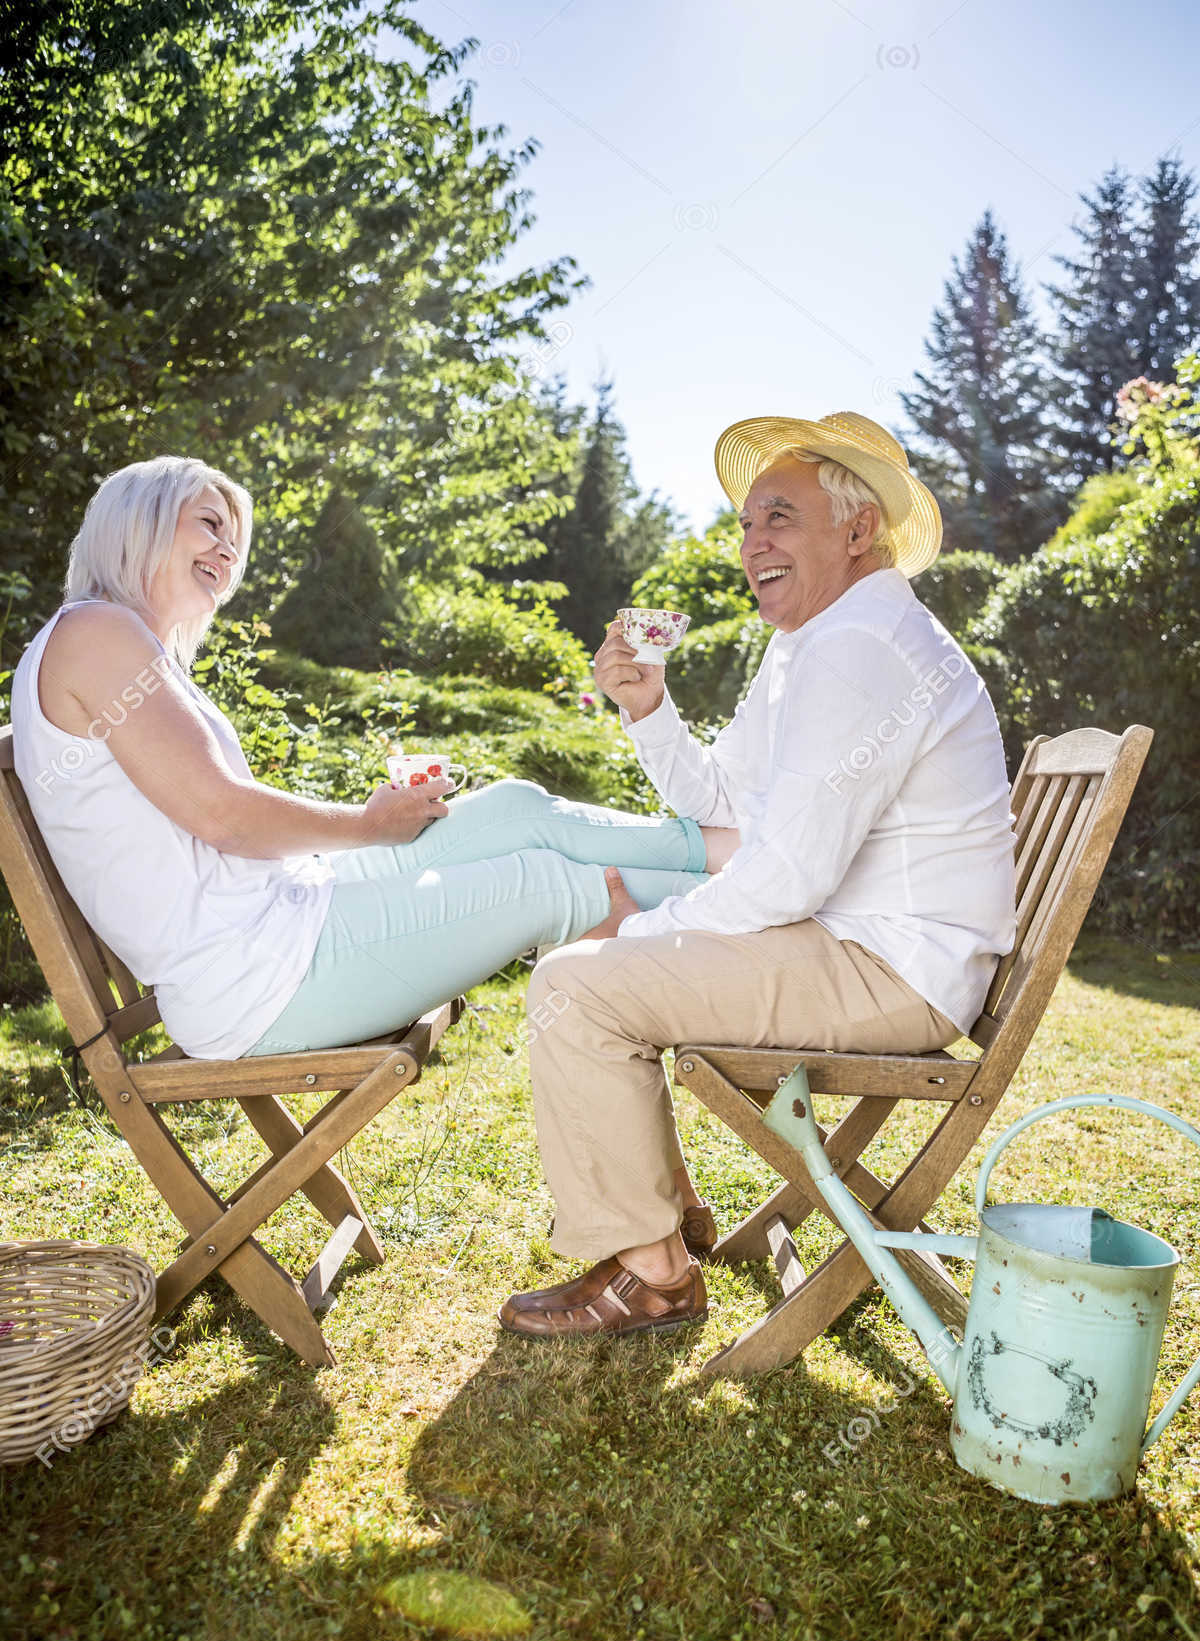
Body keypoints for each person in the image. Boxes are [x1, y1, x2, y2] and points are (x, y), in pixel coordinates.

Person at [499, 411, 1017, 1341]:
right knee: (593, 967)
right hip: (867, 949)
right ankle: (664, 1221)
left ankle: (656, 1277)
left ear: (858, 532)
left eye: (778, 517)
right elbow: (721, 801)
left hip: (890, 971)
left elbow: (784, 876)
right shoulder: (816, 642)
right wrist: (646, 705)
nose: (752, 543)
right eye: (745, 523)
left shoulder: (862, 648)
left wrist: (640, 935)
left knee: (577, 988)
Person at [11, 456, 729, 1064]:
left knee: (516, 808)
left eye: (233, 538)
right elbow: (221, 816)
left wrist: (373, 825)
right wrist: (370, 824)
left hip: (288, 913)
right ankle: (766, 903)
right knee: (553, 886)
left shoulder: (124, 644)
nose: (229, 550)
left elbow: (219, 820)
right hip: (255, 976)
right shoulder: (98, 634)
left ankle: (732, 854)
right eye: (209, 524)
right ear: (137, 521)